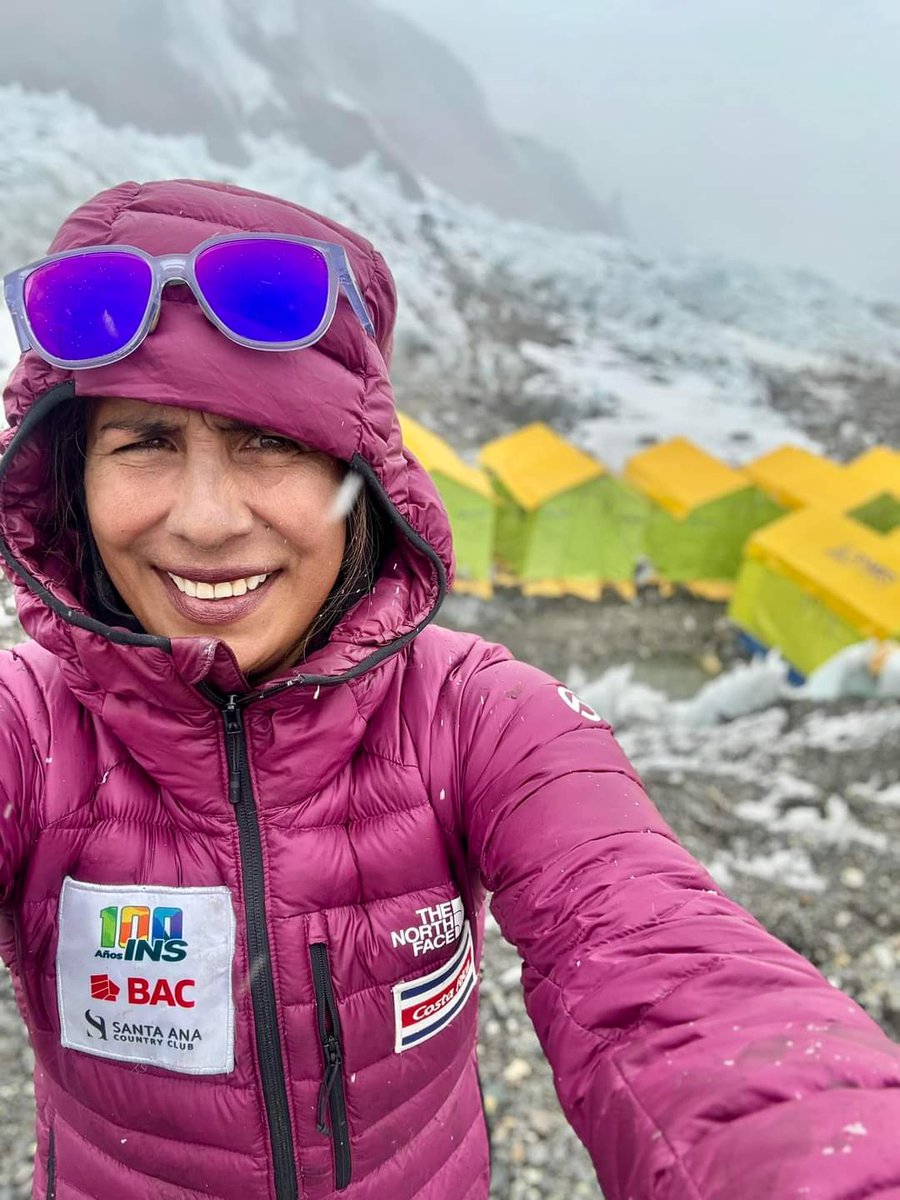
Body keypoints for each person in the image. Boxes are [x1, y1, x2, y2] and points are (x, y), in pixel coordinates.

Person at [0, 178, 897, 1200]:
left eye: (272, 441)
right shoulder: (30, 732)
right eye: (145, 441)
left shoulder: (475, 715)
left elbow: (669, 970)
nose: (206, 521)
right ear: (69, 481)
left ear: (360, 478)